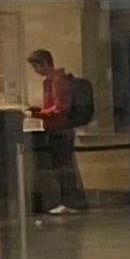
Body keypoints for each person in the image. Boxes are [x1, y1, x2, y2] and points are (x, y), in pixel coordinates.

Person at [24, 49, 87, 215]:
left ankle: (70, 201)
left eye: (36, 66)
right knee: (62, 165)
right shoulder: (51, 81)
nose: (36, 70)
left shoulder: (58, 80)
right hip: (57, 128)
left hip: (60, 129)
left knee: (63, 166)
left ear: (45, 63)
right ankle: (69, 201)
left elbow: (61, 108)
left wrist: (37, 113)